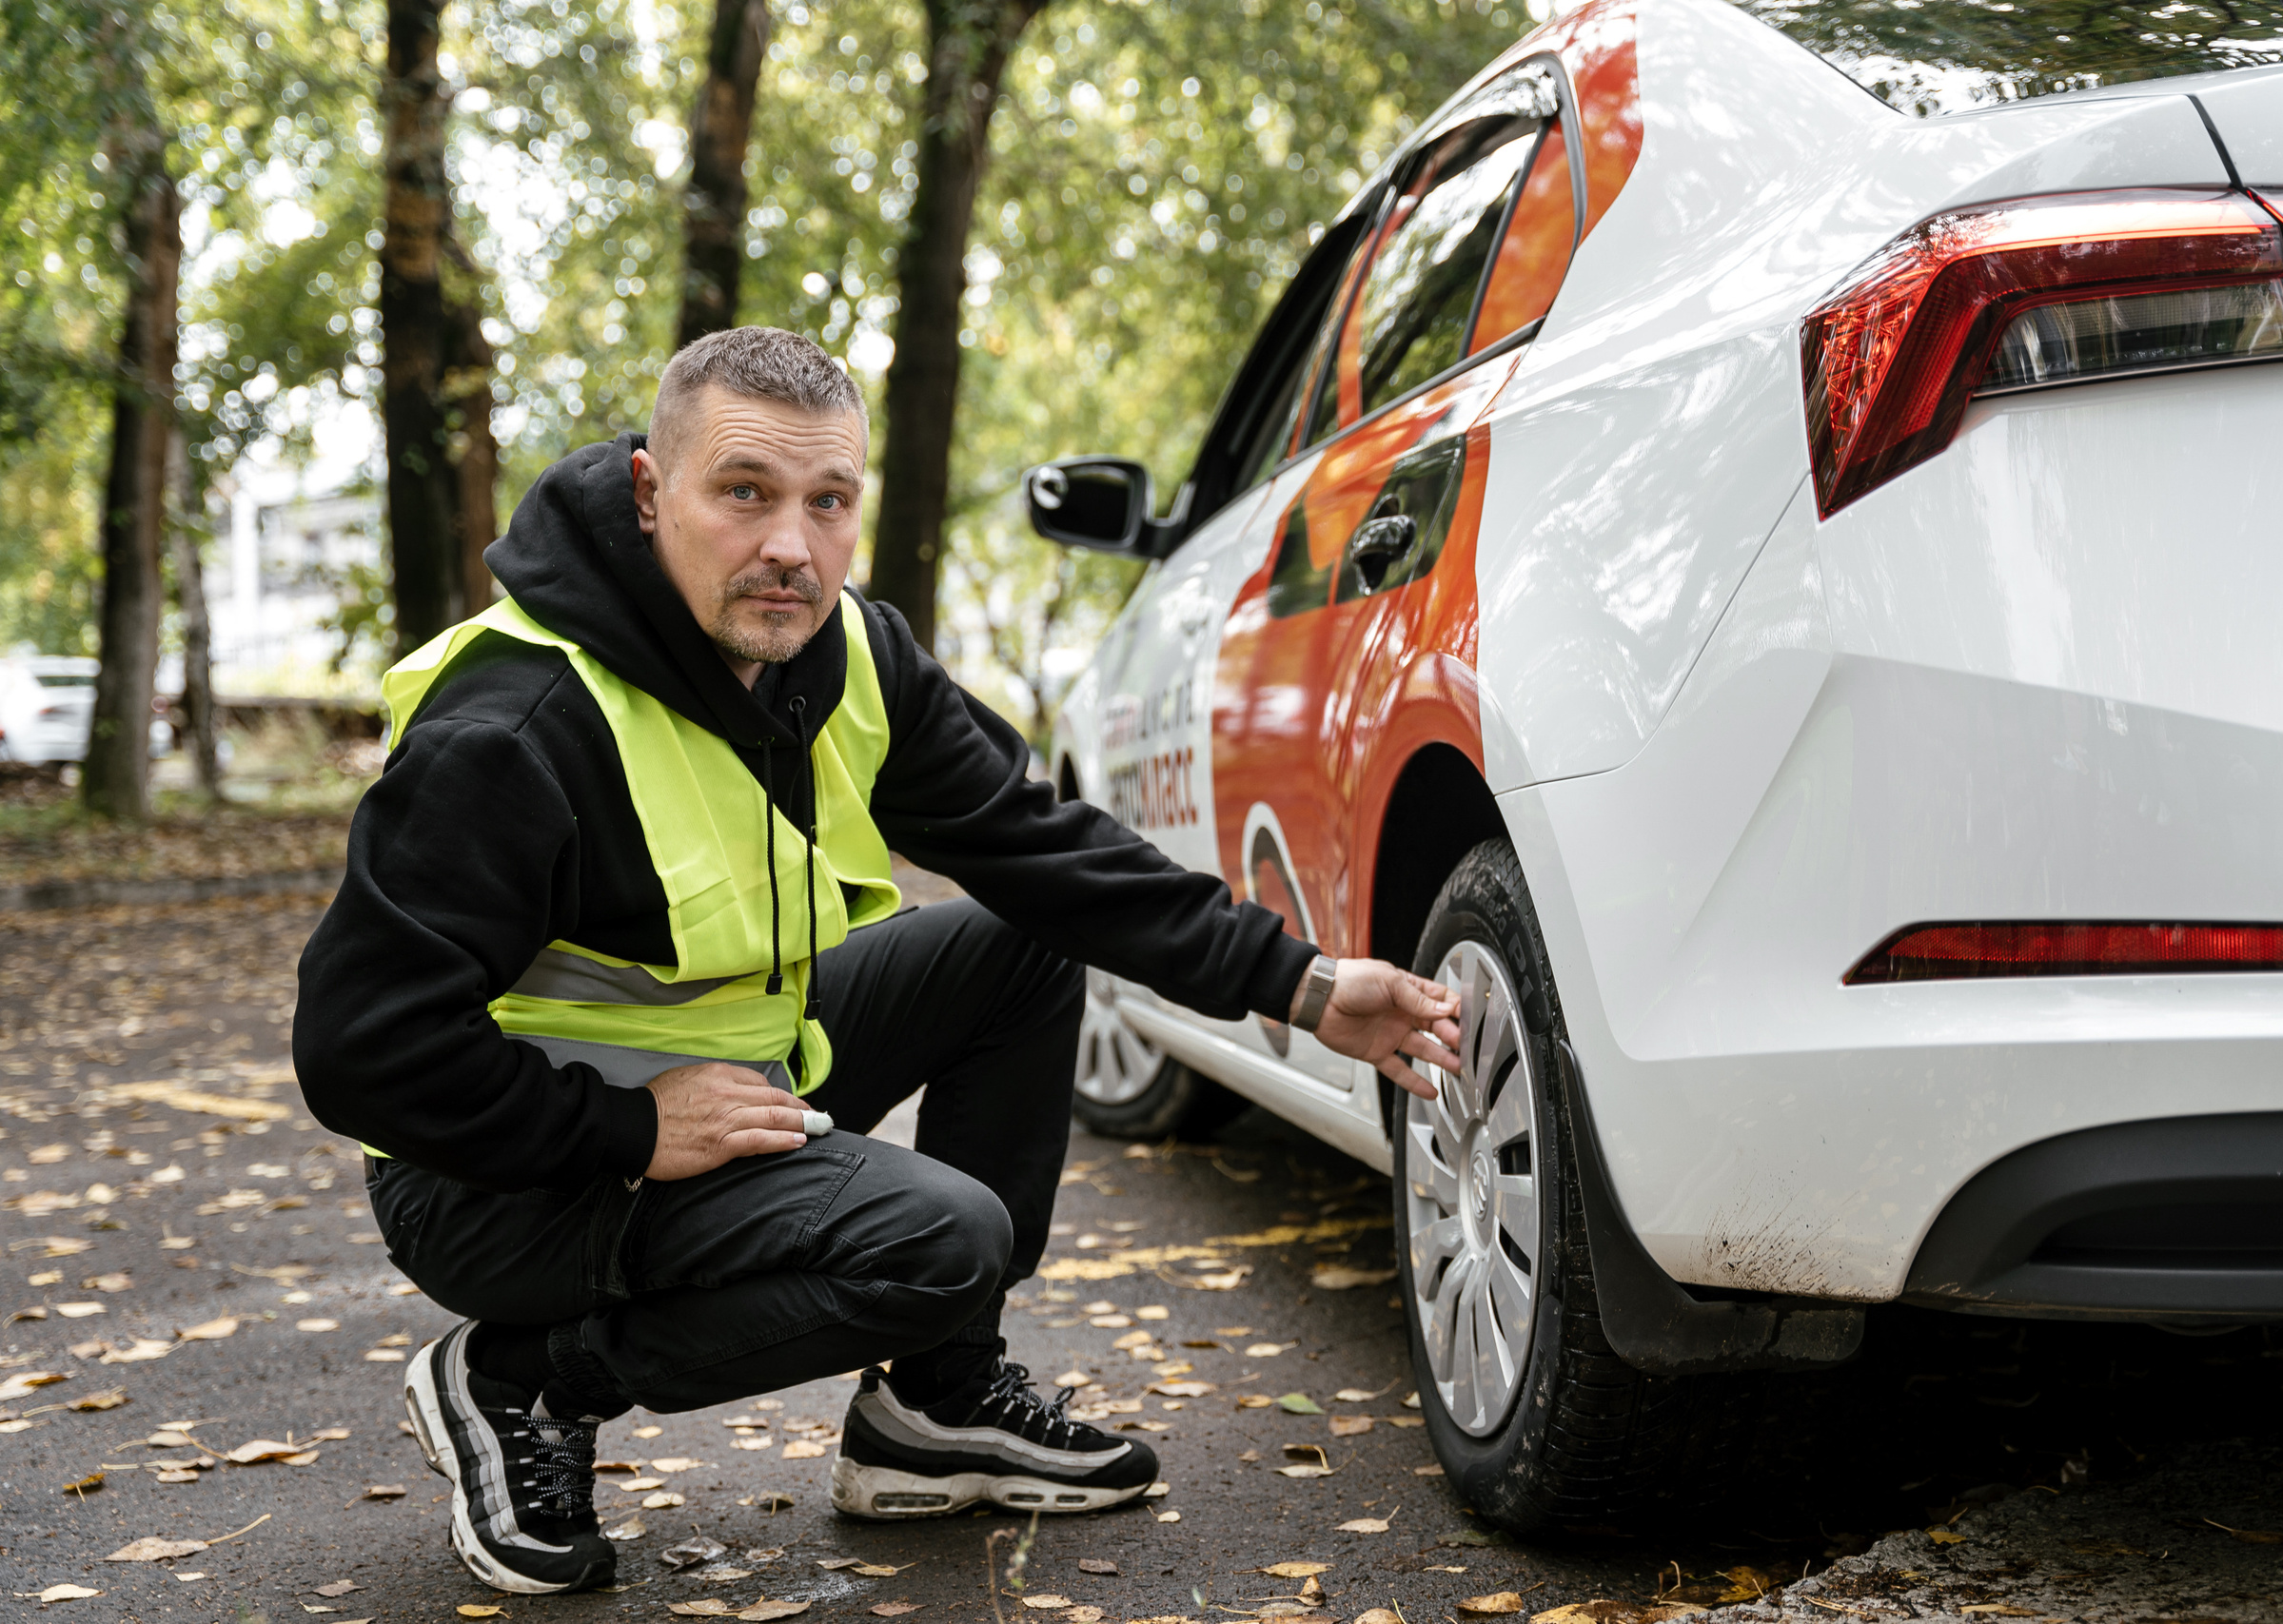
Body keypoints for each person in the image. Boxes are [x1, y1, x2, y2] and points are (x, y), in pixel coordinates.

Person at [293, 326, 1464, 1596]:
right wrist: (627, 1129)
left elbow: (1039, 849)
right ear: (649, 494)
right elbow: (361, 1053)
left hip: (733, 1084)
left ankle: (936, 1408)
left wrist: (1300, 983)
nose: (790, 544)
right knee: (942, 1238)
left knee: (1022, 942)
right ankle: (521, 1379)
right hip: (497, 1179)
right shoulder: (520, 724)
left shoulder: (844, 658)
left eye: (827, 501)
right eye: (744, 492)